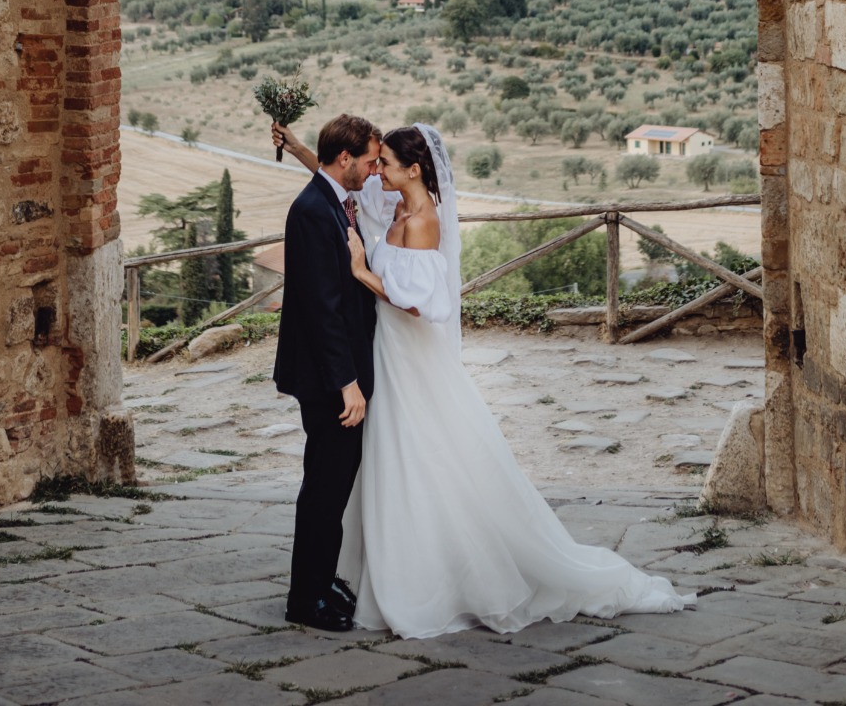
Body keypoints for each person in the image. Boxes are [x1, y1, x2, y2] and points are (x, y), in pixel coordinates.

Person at [272, 117, 693, 639]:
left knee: (410, 463)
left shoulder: (424, 220)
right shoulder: (384, 200)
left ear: (413, 169)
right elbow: (337, 188)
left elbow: (426, 304)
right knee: (355, 475)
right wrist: (297, 149)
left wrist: (363, 273)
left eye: (386, 163)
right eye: (373, 162)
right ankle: (335, 581)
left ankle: (406, 578)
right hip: (379, 358)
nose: (377, 170)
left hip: (405, 357)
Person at [272, 112, 381, 633]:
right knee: (324, 488)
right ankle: (305, 599)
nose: (373, 169)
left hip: (332, 373)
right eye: (369, 161)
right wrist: (347, 384)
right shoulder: (315, 211)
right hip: (326, 379)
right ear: (346, 160)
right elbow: (323, 308)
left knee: (333, 485)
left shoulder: (332, 199)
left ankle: (320, 580)